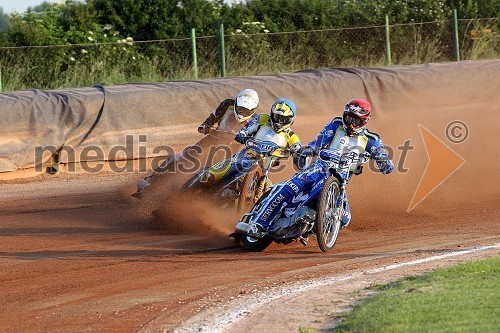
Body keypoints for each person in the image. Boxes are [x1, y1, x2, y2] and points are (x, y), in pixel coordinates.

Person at [244, 98, 394, 234]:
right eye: (348, 118)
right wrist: (307, 150)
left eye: (356, 121)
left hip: (340, 181)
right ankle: (257, 223)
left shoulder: (371, 140)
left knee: (344, 219)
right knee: (289, 188)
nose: (351, 124)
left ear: (365, 120)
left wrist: (384, 161)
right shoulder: (336, 125)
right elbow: (318, 143)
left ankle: (309, 227)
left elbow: (385, 162)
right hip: (319, 169)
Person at [197, 98, 302, 189]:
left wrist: (298, 153)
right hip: (246, 154)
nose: (279, 121)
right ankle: (194, 184)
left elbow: (298, 147)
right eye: (277, 117)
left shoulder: (292, 136)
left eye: (283, 119)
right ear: (271, 114)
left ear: (291, 119)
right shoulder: (263, 119)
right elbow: (248, 127)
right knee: (210, 176)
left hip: (265, 165)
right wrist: (242, 134)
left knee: (270, 193)